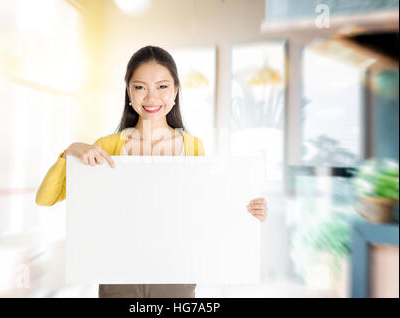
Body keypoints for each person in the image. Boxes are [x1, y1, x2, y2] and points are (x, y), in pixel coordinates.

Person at [35, 45, 268, 298]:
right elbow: (45, 198)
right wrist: (71, 151)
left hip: (176, 276)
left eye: (162, 86)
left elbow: (202, 210)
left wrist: (247, 210)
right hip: (118, 276)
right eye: (140, 87)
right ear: (128, 92)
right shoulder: (107, 147)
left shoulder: (192, 146)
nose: (151, 97)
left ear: (176, 90)